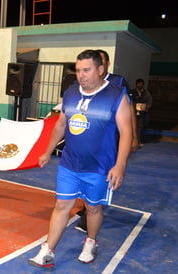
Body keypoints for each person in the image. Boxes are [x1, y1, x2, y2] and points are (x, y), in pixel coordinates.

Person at [28, 49, 132, 269]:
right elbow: (61, 124)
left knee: (92, 208)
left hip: (99, 167)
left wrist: (120, 165)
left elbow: (126, 132)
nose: (81, 75)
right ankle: (48, 250)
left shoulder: (117, 95)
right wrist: (47, 151)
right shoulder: (71, 93)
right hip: (69, 163)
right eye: (78, 70)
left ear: (101, 70)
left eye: (86, 70)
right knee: (62, 204)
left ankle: (91, 242)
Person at [74, 49, 139, 233]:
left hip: (108, 139)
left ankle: (91, 214)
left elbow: (130, 108)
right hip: (88, 137)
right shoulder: (83, 83)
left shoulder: (118, 82)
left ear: (105, 65)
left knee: (99, 175)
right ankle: (87, 205)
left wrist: (134, 135)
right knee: (84, 173)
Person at [130, 78, 153, 147]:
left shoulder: (146, 93)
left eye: (141, 84)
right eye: (138, 84)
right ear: (136, 84)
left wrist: (147, 107)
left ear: (143, 85)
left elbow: (150, 102)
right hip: (133, 112)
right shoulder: (132, 92)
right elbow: (128, 100)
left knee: (140, 127)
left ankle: (138, 141)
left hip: (142, 113)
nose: (139, 85)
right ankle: (130, 141)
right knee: (131, 126)